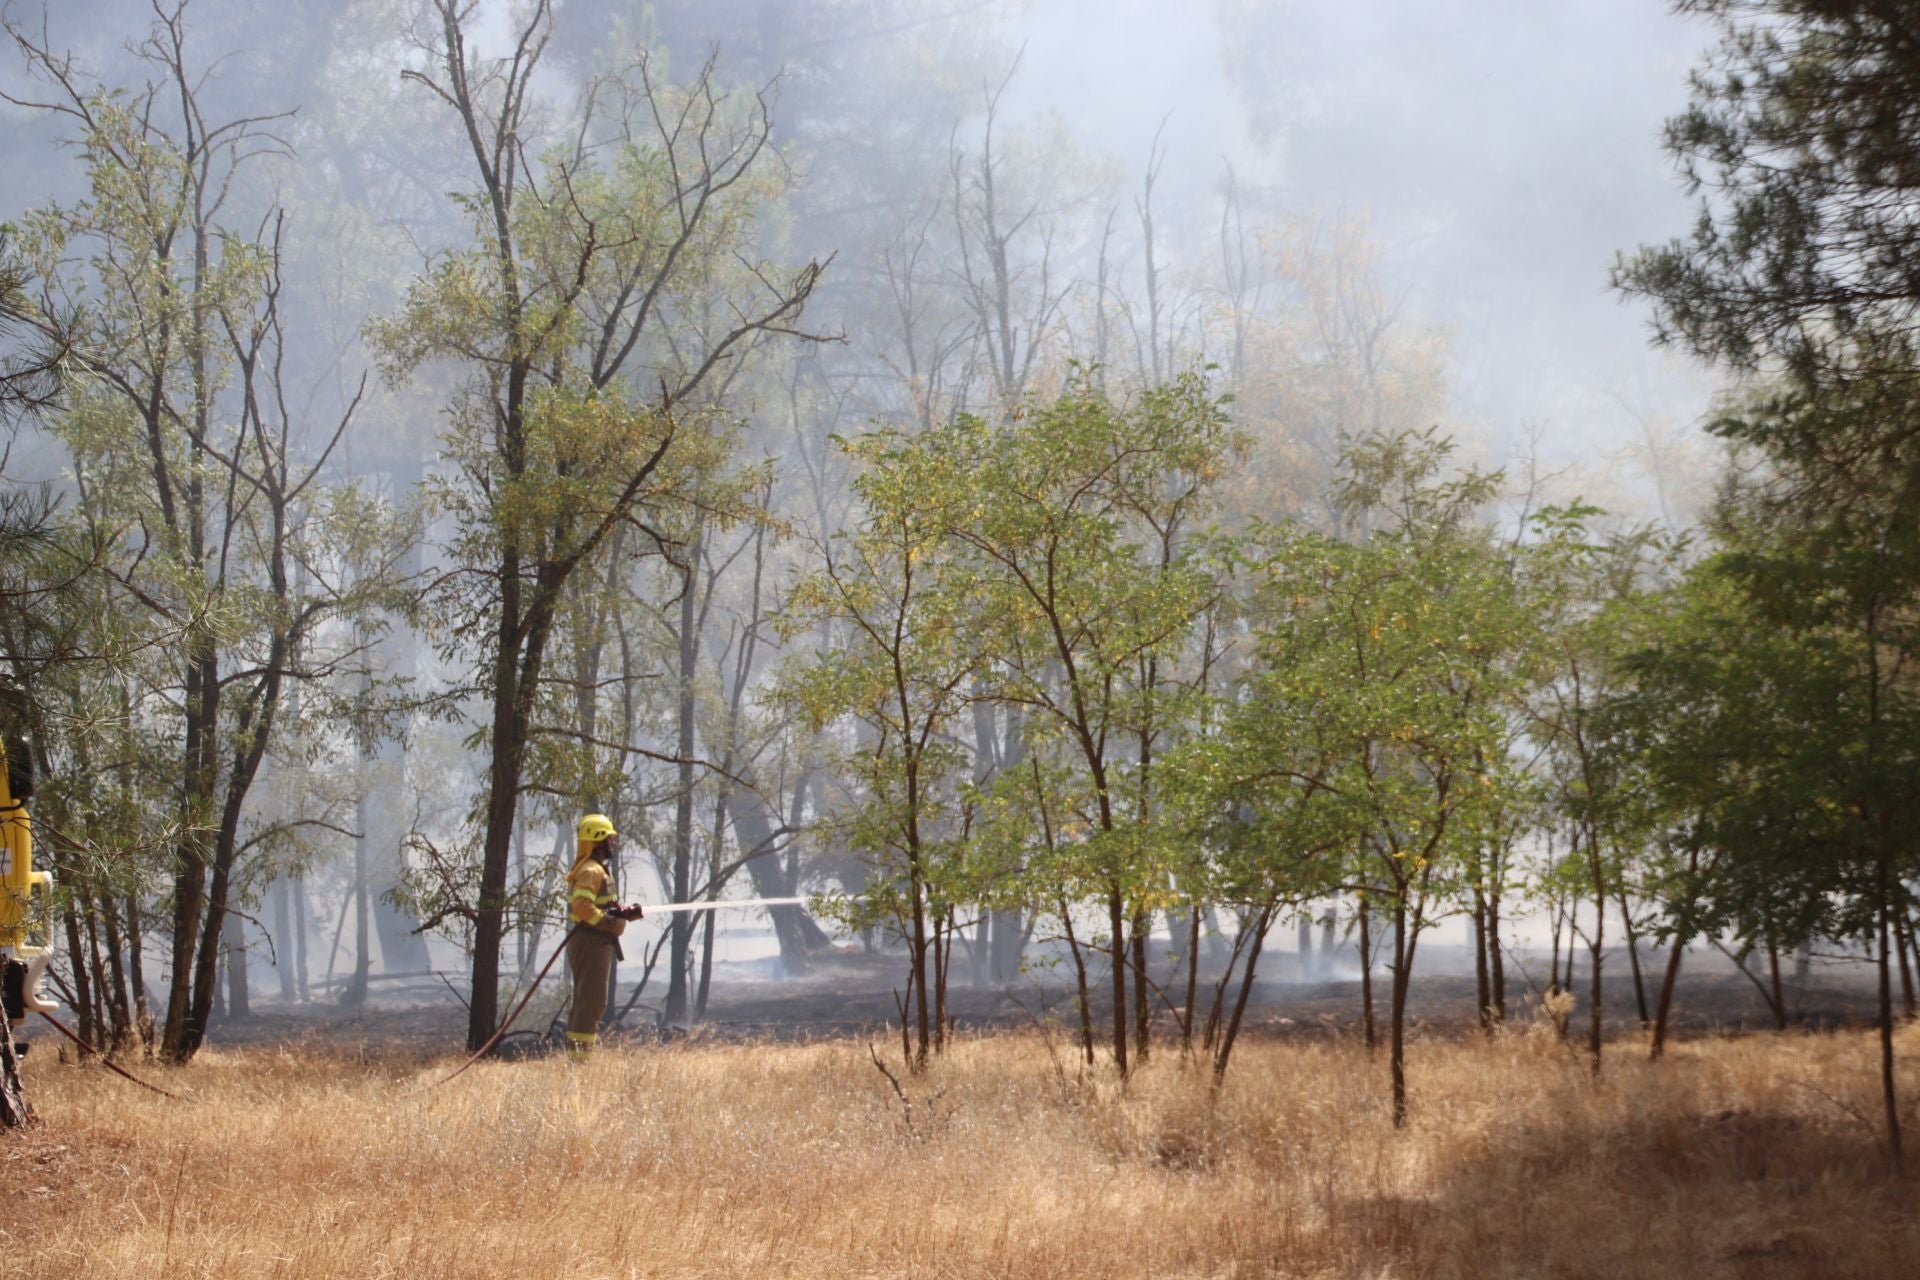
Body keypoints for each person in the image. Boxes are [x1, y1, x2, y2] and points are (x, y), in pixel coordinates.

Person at [563, 814, 641, 1056]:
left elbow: (599, 905)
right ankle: (579, 1061)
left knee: (589, 1001)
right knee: (591, 1003)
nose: (613, 843)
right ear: (597, 840)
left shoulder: (596, 870)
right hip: (591, 942)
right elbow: (581, 906)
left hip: (595, 941)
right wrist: (609, 922)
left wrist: (622, 914)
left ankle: (578, 1058)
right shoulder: (591, 871)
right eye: (609, 839)